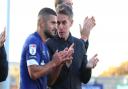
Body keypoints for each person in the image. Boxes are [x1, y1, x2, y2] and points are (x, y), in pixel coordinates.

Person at [46, 4, 98, 89]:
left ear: (71, 23)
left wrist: (88, 67)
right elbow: (49, 82)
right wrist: (65, 65)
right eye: (58, 23)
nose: (60, 27)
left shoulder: (80, 44)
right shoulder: (49, 44)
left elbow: (84, 79)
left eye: (64, 22)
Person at [20, 7, 73, 89]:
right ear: (41, 23)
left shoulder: (44, 45)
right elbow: (33, 73)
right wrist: (53, 62)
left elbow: (49, 82)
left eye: (56, 23)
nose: (56, 27)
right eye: (53, 23)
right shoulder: (33, 41)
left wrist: (59, 63)